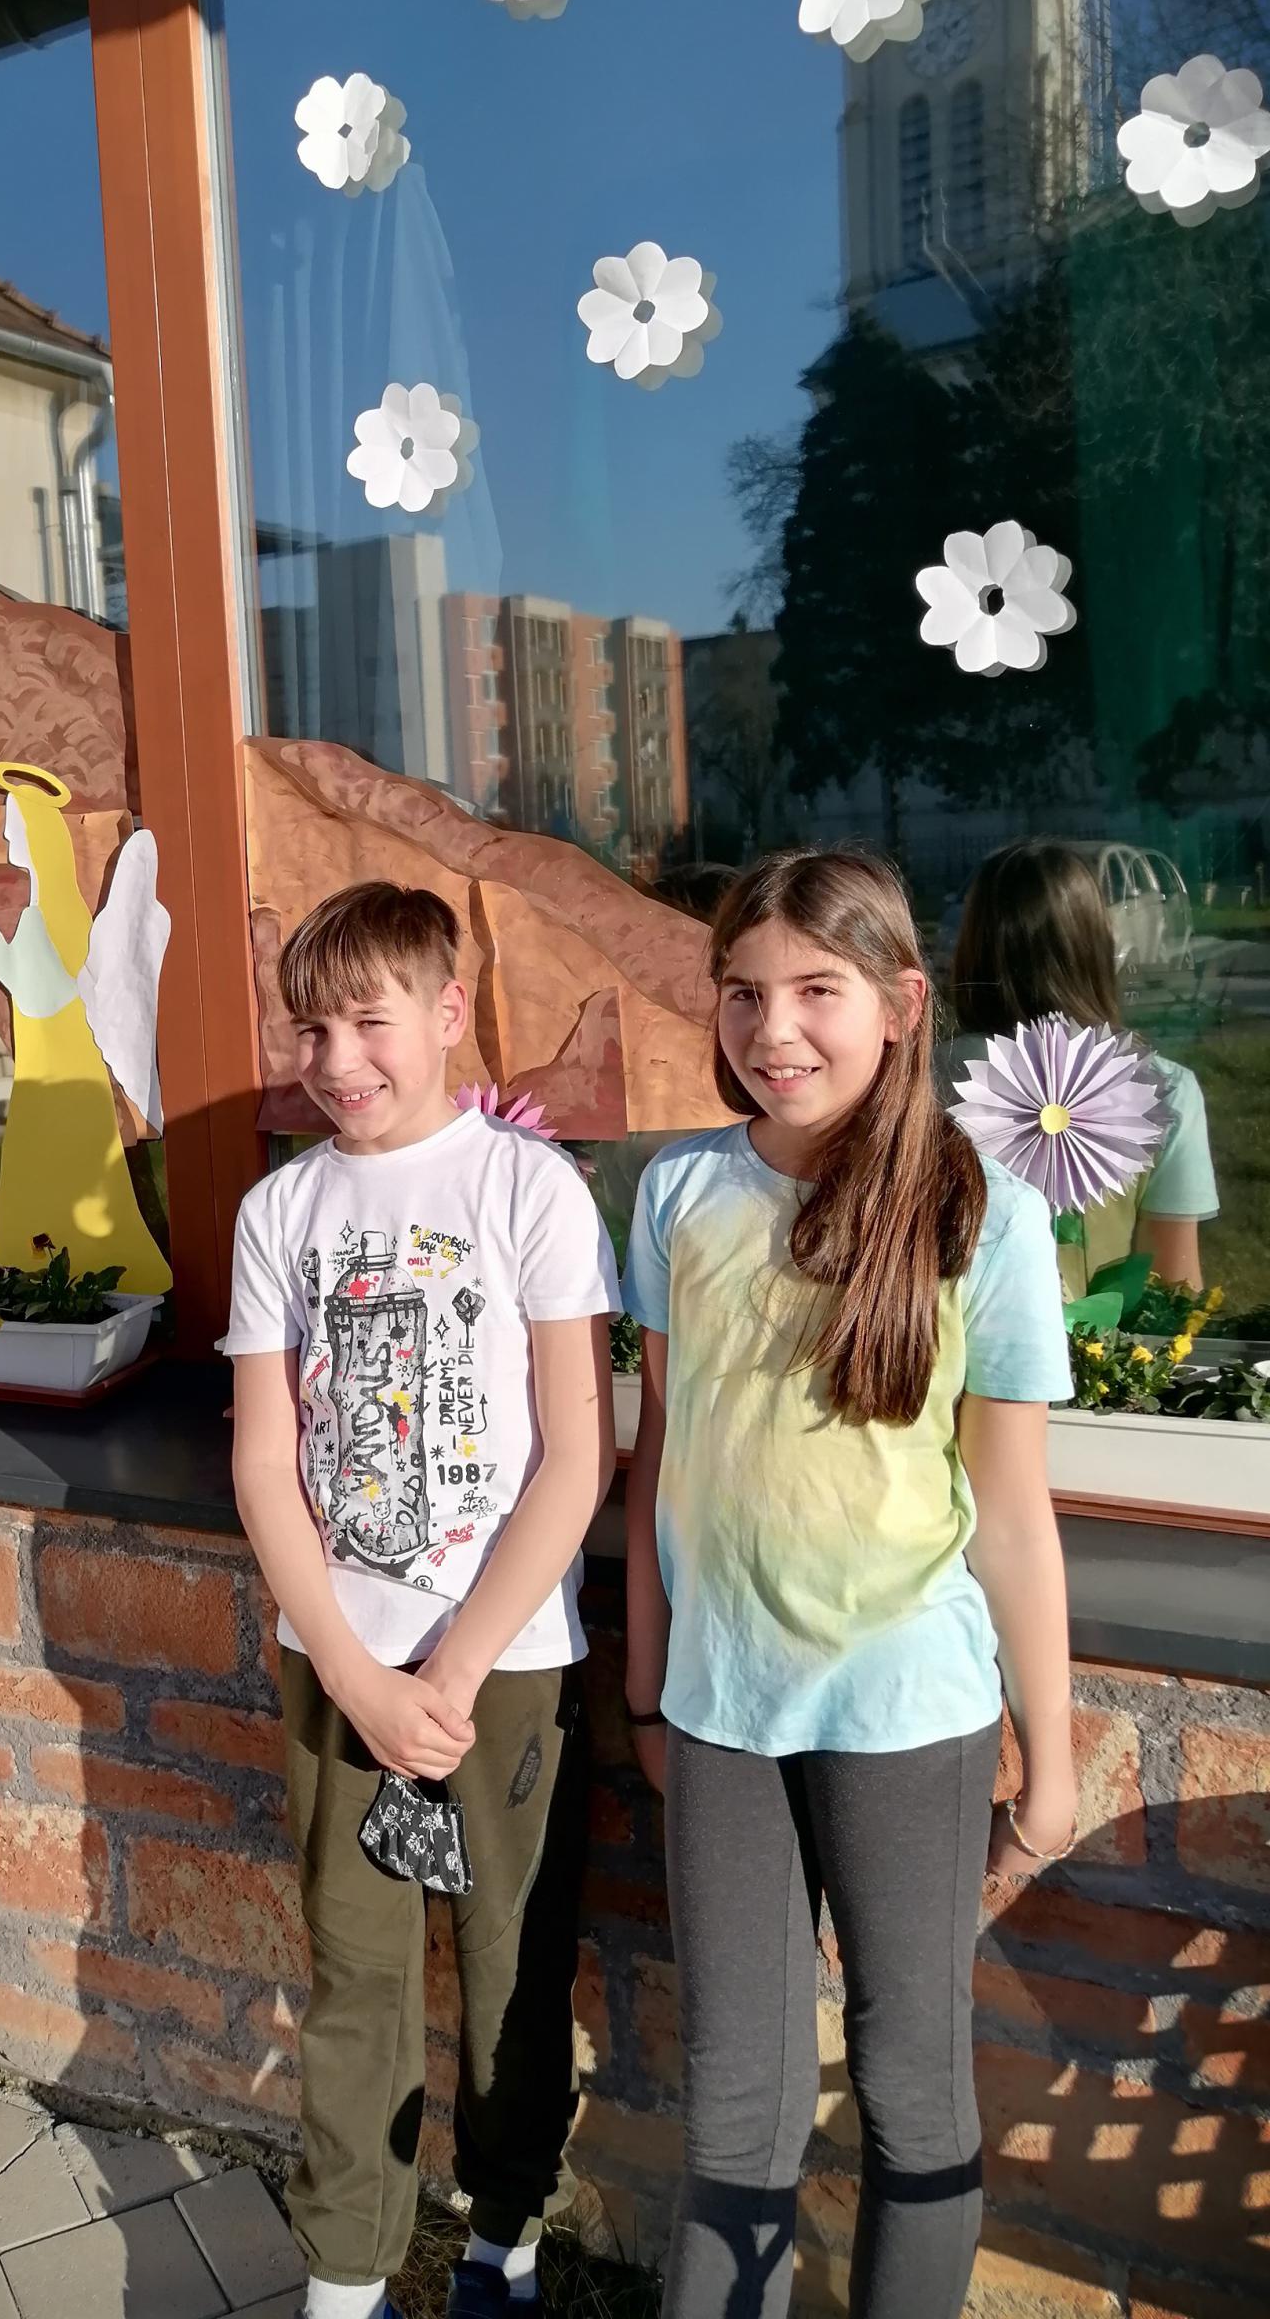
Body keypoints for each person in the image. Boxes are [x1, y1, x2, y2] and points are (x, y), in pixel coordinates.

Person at [621, 850, 1076, 2319]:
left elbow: (1012, 1515)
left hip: (910, 1714)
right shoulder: (681, 1192)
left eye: (817, 990)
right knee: (734, 2104)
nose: (775, 1030)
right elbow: (661, 1458)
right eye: (743, 993)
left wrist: (1053, 1759)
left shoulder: (983, 1215)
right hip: (720, 1716)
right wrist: (647, 1687)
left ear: (901, 1002)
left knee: (909, 2084)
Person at [226, 881, 619, 2319]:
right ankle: (345, 2280)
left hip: (501, 1669)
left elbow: (578, 1454)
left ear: (449, 1014)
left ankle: (505, 2247)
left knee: (516, 1970)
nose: (337, 1061)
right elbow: (264, 1461)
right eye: (311, 1030)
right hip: (339, 1665)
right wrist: (354, 1672)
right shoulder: (281, 1210)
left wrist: (448, 1676)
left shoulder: (529, 1191)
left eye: (369, 1022)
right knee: (357, 1979)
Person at [946, 839, 1218, 1294]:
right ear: (1097, 946)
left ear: (972, 946)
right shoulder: (1167, 1090)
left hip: (950, 1340)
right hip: (1106, 1338)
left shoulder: (913, 1083)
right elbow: (1173, 1287)